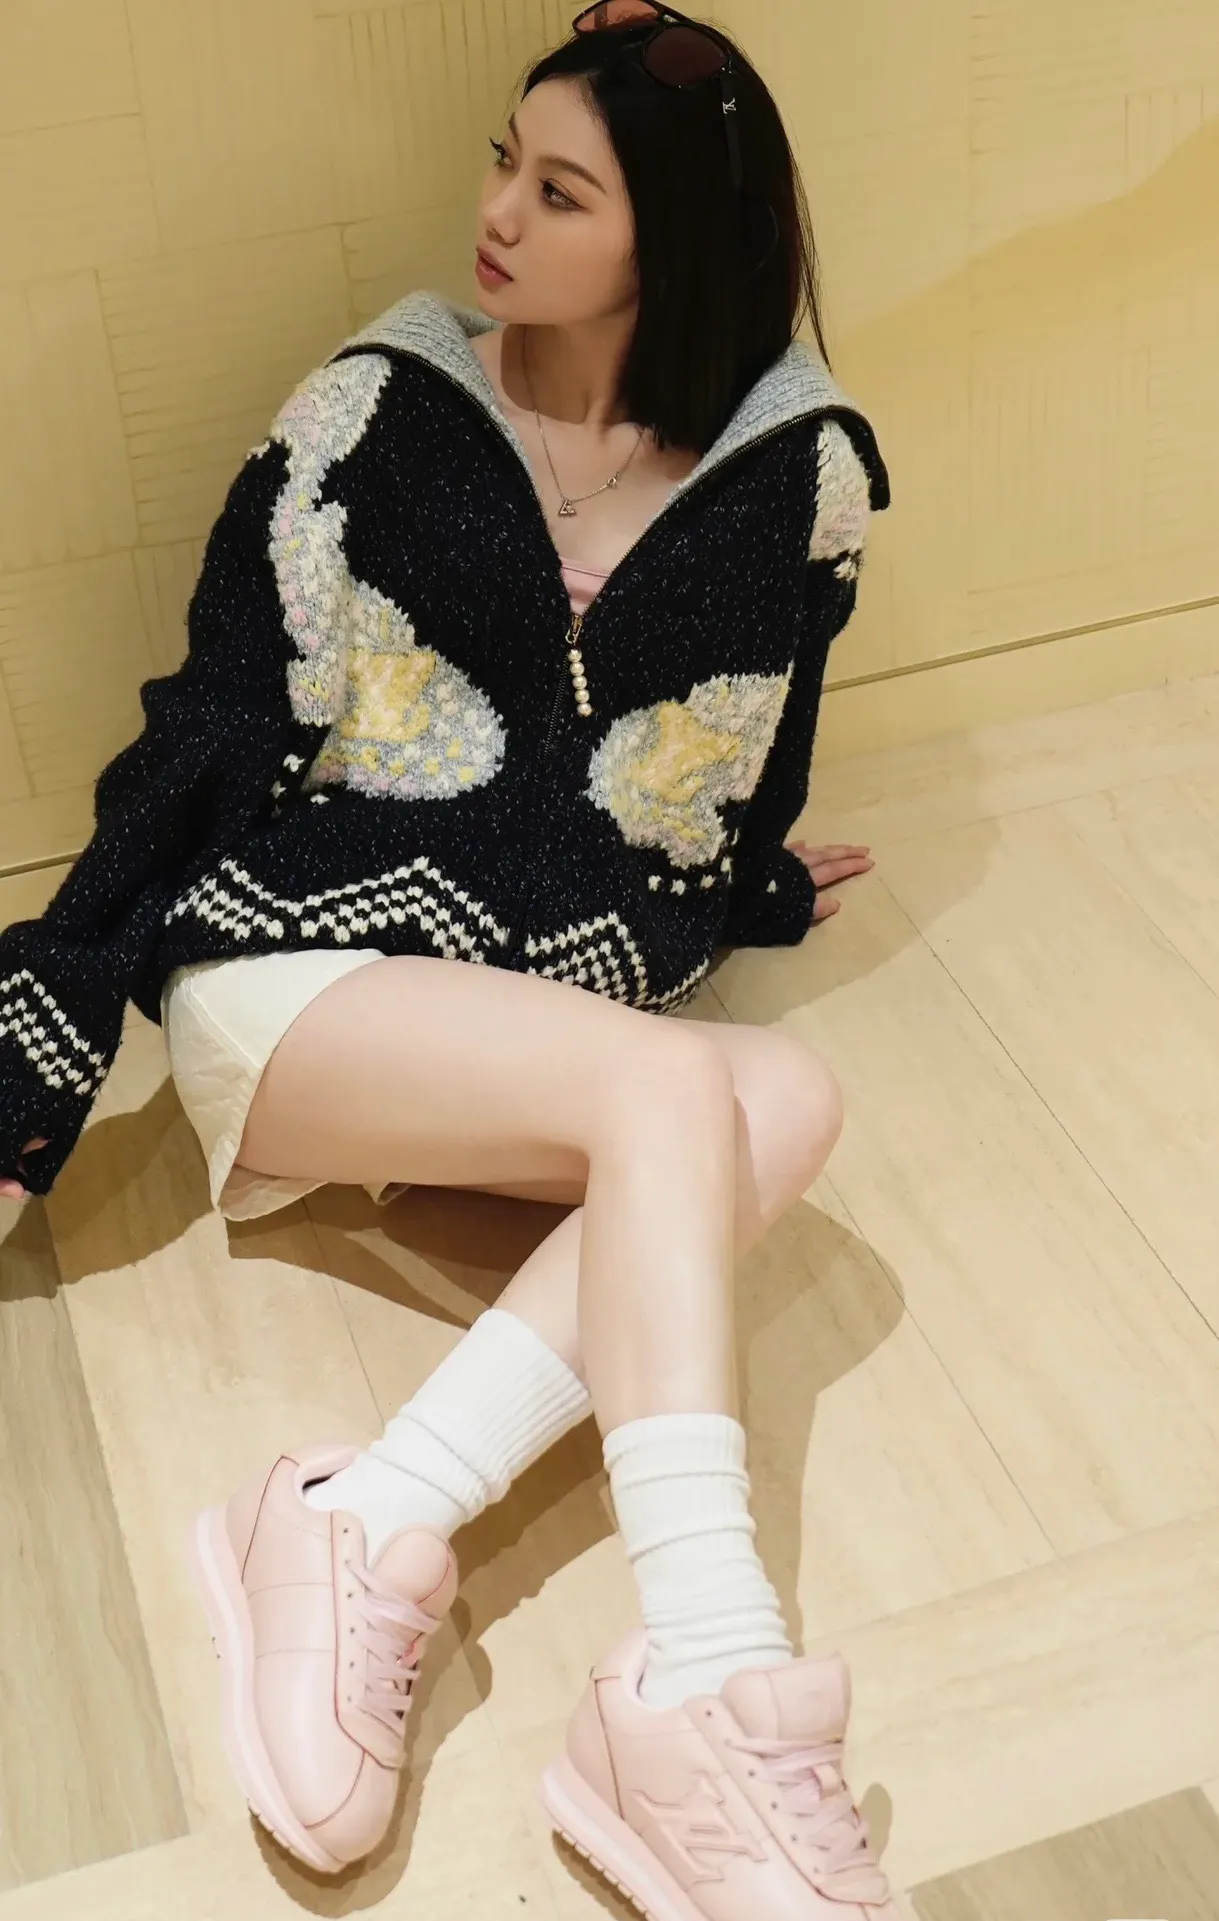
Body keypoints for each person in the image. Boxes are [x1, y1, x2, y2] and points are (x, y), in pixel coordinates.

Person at [0, 5, 897, 1914]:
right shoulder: (372, 417)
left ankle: (368, 1519)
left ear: (673, 239)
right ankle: (714, 1672)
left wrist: (742, 885)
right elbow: (214, 720)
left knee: (787, 1099)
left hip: (542, 1031)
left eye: (561, 192)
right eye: (507, 160)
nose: (495, 213)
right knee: (678, 1093)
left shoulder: (798, 470)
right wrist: (50, 1013)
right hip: (299, 978)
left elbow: (750, 742)